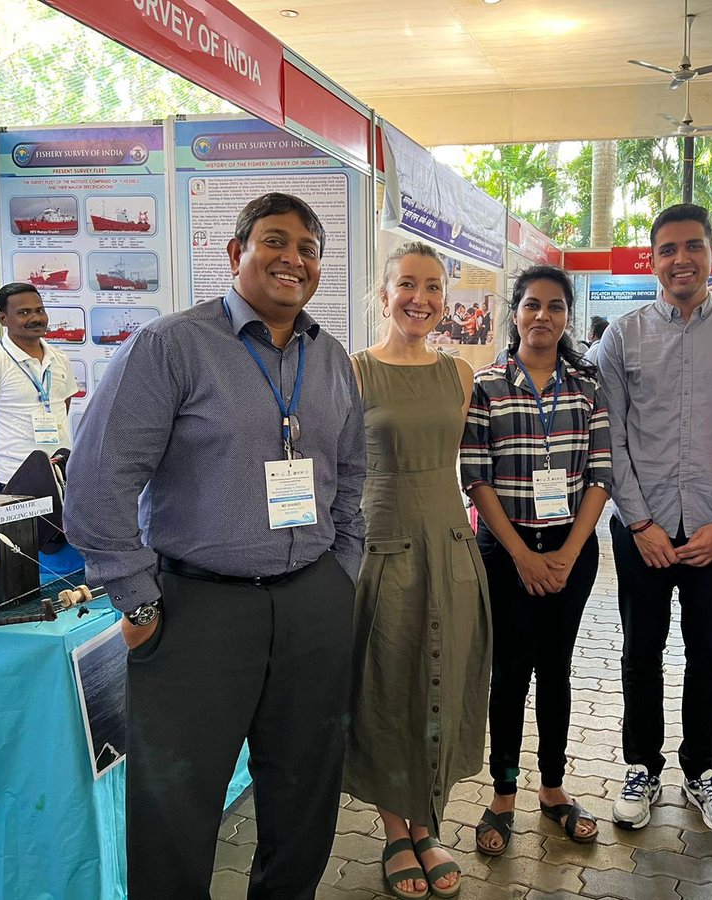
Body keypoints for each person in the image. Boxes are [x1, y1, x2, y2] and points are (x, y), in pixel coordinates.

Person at [64, 192, 365, 900]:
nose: (293, 258)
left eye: (309, 248)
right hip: (196, 609)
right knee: (175, 810)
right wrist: (138, 602)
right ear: (237, 254)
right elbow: (98, 481)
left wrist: (342, 571)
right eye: (275, 240)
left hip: (311, 604)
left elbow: (350, 474)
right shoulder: (172, 346)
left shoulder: (332, 360)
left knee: (305, 797)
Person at [598, 203, 712, 836]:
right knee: (641, 652)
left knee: (708, 654)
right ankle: (641, 766)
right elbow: (608, 436)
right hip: (641, 531)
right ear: (653, 259)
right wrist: (639, 523)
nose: (681, 259)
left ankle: (702, 770)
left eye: (693, 246)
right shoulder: (623, 335)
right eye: (668, 248)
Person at [343, 242, 490, 900]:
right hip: (384, 547)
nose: (420, 299)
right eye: (407, 285)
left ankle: (428, 822)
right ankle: (395, 829)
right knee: (387, 688)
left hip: (451, 547)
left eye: (432, 287)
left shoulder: (459, 374)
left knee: (447, 682)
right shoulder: (355, 372)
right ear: (383, 294)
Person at [461, 265, 612, 856]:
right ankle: (502, 795)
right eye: (531, 305)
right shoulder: (487, 384)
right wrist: (522, 555)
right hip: (506, 553)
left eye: (554, 306)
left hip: (572, 553)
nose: (542, 316)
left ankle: (553, 788)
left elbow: (600, 474)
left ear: (567, 316)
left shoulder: (588, 385)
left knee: (557, 672)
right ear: (515, 313)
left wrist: (568, 555)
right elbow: (476, 476)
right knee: (510, 673)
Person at [0, 282, 77, 491]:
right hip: (13, 479)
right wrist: (3, 457)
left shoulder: (60, 359)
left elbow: (62, 407)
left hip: (61, 475)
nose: (36, 318)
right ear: (3, 318)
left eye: (39, 310)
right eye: (24, 312)